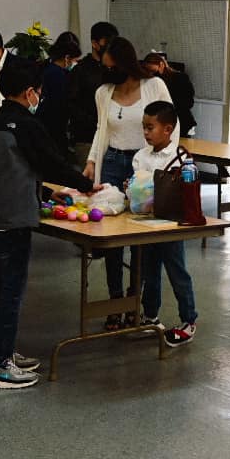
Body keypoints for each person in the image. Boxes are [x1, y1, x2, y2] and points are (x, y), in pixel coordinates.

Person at [0, 58, 95, 389]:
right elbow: (51, 163)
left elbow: (12, 170)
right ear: (30, 92)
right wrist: (86, 185)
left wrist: (41, 193)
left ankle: (1, 351)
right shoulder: (26, 126)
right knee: (11, 290)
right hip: (14, 220)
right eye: (39, 92)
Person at [84, 36, 176, 302]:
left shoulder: (154, 86)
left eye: (112, 67)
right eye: (105, 67)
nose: (108, 72)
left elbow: (172, 124)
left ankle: (136, 296)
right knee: (112, 234)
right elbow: (101, 129)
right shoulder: (103, 92)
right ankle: (115, 299)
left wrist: (163, 162)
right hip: (112, 161)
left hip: (144, 165)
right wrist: (91, 161)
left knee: (139, 232)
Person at [135, 101, 202, 347]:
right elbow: (136, 187)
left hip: (171, 226)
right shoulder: (140, 156)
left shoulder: (181, 157)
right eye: (143, 127)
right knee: (148, 270)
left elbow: (188, 190)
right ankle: (150, 315)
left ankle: (188, 320)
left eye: (150, 127)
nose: (145, 133)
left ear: (168, 129)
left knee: (177, 271)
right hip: (145, 225)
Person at [69, 21, 119, 166]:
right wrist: (94, 121)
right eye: (106, 42)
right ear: (95, 43)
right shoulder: (80, 70)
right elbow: (71, 104)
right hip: (87, 139)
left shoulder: (116, 69)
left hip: (113, 138)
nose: (110, 46)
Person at [37, 31, 82, 148]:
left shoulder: (46, 69)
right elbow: (61, 106)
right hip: (54, 130)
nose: (75, 63)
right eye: (74, 60)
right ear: (67, 58)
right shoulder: (60, 76)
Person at [143, 51, 197, 136]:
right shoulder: (149, 82)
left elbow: (189, 102)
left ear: (161, 65)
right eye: (148, 71)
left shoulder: (180, 78)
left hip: (181, 121)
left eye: (153, 71)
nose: (151, 74)